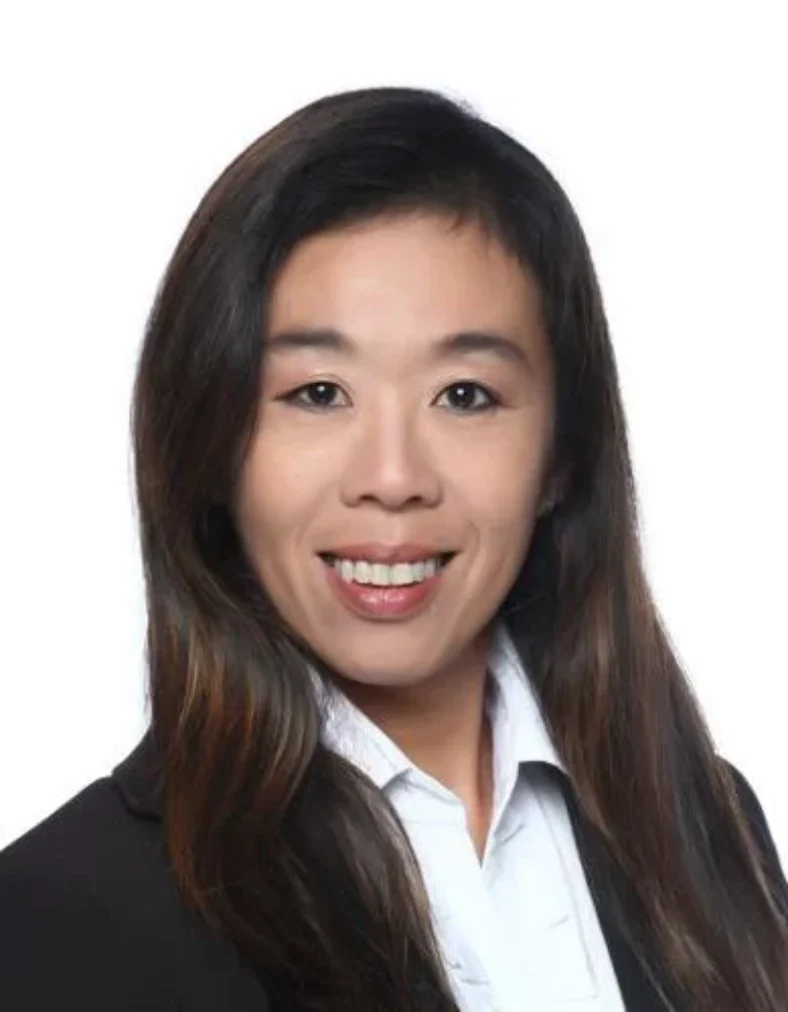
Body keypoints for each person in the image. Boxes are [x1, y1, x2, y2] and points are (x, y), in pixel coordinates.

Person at [0, 86, 786, 1012]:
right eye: (318, 393)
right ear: (209, 443)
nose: (393, 476)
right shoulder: (63, 913)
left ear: (561, 458)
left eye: (464, 395)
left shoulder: (709, 829)